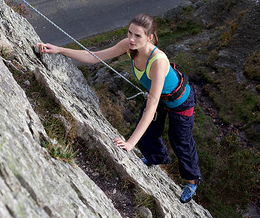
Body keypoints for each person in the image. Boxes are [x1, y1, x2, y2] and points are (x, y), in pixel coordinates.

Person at [36, 13, 201, 203]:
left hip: (181, 101)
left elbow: (151, 106)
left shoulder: (158, 62)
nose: (131, 39)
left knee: (180, 140)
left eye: (137, 35)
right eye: (130, 33)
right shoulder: (128, 45)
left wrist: (130, 144)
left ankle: (191, 181)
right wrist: (59, 49)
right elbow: (94, 57)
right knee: (147, 135)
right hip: (161, 98)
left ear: (149, 37)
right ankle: (156, 158)